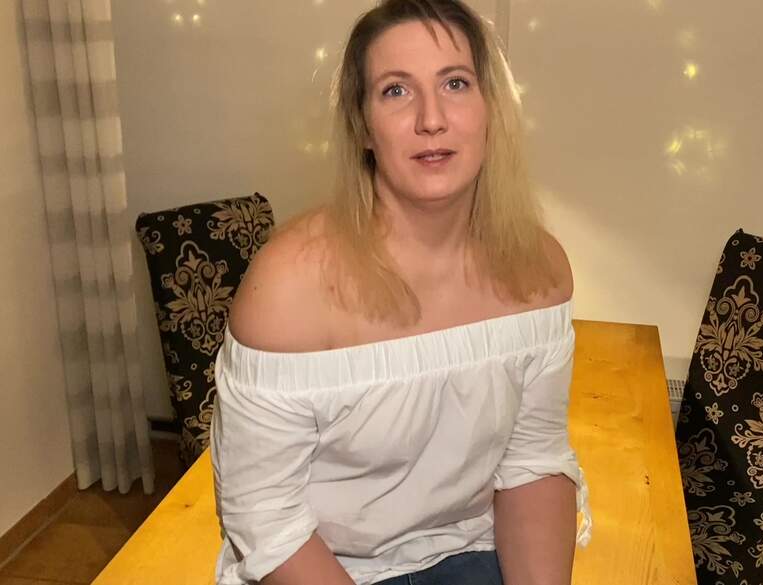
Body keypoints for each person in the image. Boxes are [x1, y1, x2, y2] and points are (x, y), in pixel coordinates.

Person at [209, 0, 592, 583]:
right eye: (396, 91)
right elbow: (266, 520)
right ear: (362, 126)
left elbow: (531, 462)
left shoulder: (540, 270)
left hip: (469, 552)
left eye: (455, 83)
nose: (431, 119)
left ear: (491, 108)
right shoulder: (285, 289)